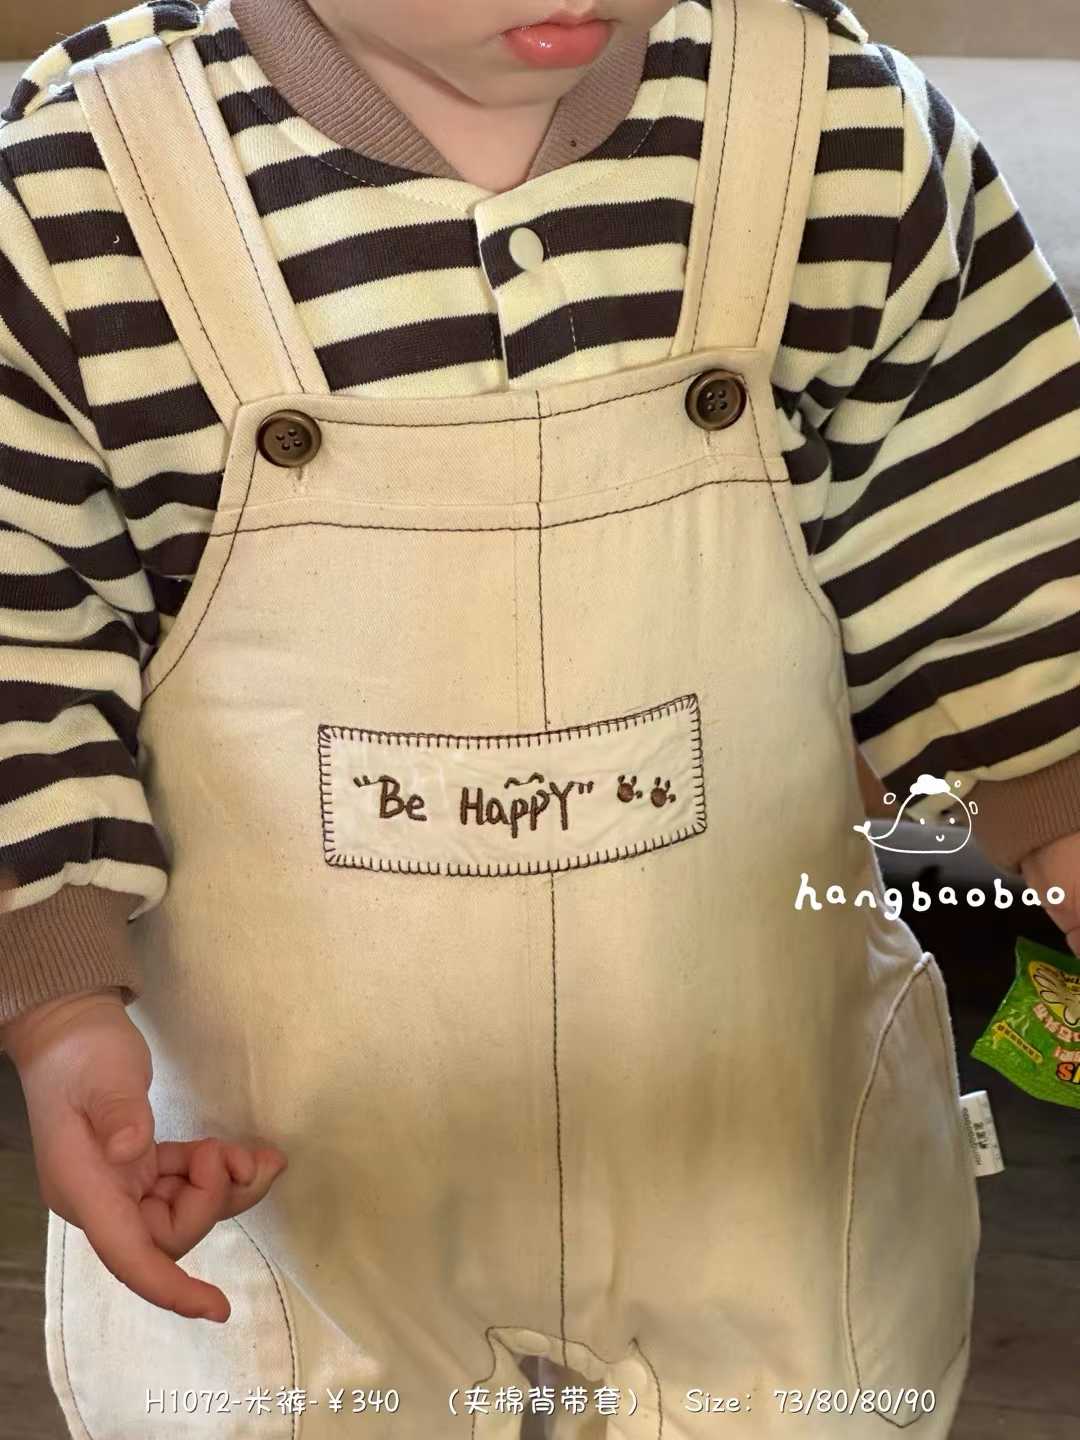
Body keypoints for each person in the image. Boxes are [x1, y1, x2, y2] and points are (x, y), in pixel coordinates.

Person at [1, 0, 1078, 1435]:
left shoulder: (839, 139)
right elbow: (24, 638)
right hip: (289, 1181)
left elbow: (998, 559)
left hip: (767, 1139)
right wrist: (59, 1005)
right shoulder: (80, 199)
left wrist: (1058, 812)